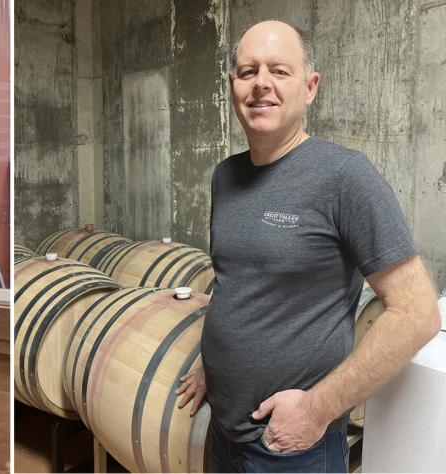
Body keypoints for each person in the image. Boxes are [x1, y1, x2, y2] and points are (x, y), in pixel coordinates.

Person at [173, 20, 440, 472]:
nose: (261, 84)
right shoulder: (225, 176)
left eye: (279, 71)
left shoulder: (346, 177)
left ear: (310, 87)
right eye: (247, 71)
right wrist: (211, 364)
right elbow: (238, 283)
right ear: (233, 86)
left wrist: (316, 409)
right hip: (222, 433)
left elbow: (417, 313)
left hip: (290, 448)